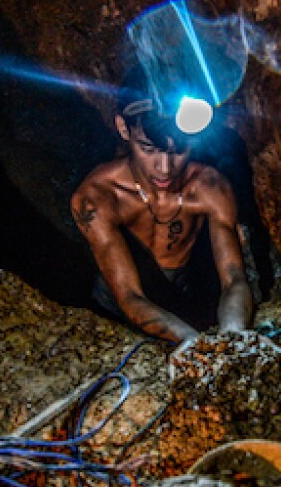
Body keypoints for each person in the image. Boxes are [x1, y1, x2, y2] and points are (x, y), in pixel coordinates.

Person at [71, 85, 253, 344]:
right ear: (123, 129)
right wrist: (193, 342)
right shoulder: (97, 197)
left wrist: (234, 332)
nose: (165, 169)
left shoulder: (210, 187)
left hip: (181, 289)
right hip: (116, 303)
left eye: (178, 151)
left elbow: (234, 279)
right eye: (148, 149)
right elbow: (129, 296)